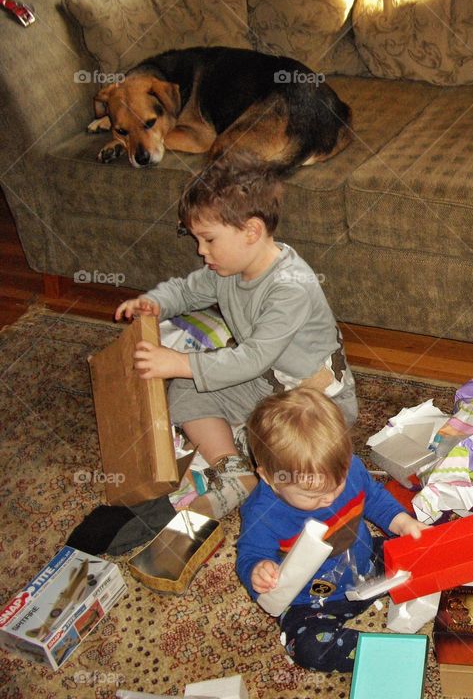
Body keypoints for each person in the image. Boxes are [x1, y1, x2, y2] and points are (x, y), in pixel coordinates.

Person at [115, 152, 357, 518]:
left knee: (295, 455)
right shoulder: (226, 269)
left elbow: (253, 357)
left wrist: (180, 361)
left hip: (315, 403)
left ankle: (249, 443)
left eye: (208, 239)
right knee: (185, 388)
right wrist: (154, 303)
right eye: (196, 239)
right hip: (264, 385)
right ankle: (233, 469)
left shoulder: (290, 287)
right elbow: (186, 290)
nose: (201, 251)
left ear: (251, 231)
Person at [236, 386, 426, 671]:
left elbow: (373, 497)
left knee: (423, 541)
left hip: (365, 563)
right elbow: (249, 554)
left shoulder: (348, 468)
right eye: (313, 495)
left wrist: (401, 522)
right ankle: (379, 654)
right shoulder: (263, 513)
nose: (330, 498)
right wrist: (257, 571)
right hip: (310, 602)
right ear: (269, 478)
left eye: (337, 484)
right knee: (312, 649)